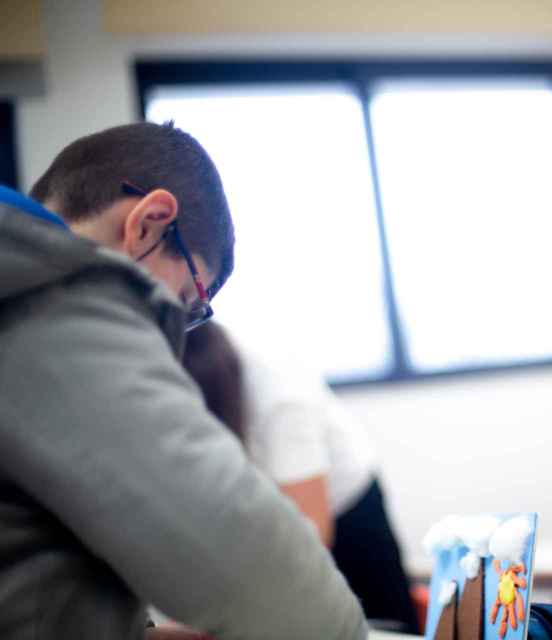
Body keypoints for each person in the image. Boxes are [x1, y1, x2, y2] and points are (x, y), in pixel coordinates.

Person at [0, 122, 367, 640]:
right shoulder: (54, 301)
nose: (182, 335)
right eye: (191, 302)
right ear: (148, 224)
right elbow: (284, 594)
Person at [182, 321, 420, 634]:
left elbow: (312, 534)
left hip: (348, 514)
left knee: (375, 624)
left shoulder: (279, 393)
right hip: (271, 511)